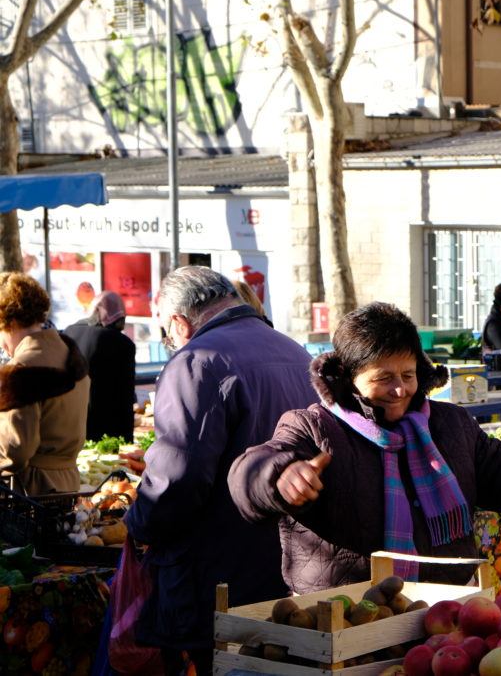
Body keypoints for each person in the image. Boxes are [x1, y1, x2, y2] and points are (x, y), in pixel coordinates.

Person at [228, 302, 501, 593]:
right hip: (344, 621)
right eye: (384, 378)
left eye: (408, 374)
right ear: (349, 378)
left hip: (442, 615)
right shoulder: (313, 426)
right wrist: (280, 476)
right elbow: (250, 471)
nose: (400, 390)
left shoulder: (448, 424)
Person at [123, 266, 317, 675]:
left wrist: (139, 524)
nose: (170, 341)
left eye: (166, 332)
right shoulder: (295, 351)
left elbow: (178, 481)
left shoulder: (196, 360)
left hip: (217, 573)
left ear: (179, 321)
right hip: (288, 565)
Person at [0, 273, 89, 496]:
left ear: (8, 322)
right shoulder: (67, 352)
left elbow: (16, 451)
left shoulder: (22, 369)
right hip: (68, 484)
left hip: (31, 494)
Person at [64, 291, 137, 442]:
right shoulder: (122, 343)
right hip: (107, 428)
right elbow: (125, 393)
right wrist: (127, 439)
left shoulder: (69, 332)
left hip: (70, 423)